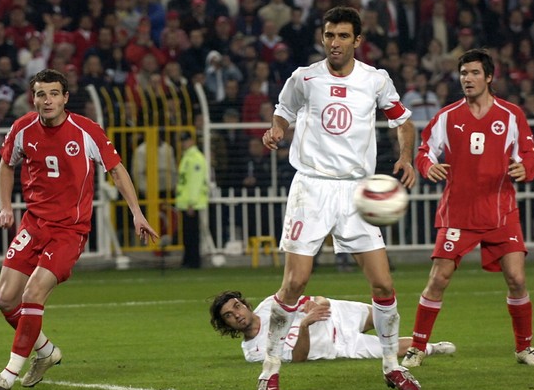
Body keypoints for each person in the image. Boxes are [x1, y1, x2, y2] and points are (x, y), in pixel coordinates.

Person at [258, 6, 419, 390]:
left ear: (357, 41)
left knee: (383, 282)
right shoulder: (304, 78)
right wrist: (276, 131)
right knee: (295, 282)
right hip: (311, 187)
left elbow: (403, 121)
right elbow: (283, 114)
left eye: (343, 36)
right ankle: (270, 369)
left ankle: (391, 366)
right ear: (323, 38)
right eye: (330, 35)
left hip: (356, 190)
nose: (335, 43)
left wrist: (406, 156)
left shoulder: (375, 80)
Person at [0, 68, 157, 390]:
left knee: (32, 295)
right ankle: (46, 353)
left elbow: (116, 170)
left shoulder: (86, 131)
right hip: (33, 224)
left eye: (53, 94)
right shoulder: (22, 128)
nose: (47, 101)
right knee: (4, 299)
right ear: (33, 99)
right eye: (41, 94)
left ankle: (7, 375)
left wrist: (137, 213)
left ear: (65, 98)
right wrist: (6, 207)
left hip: (68, 231)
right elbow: (6, 164)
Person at [403, 48, 534, 369]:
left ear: (489, 77)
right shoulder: (447, 116)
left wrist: (526, 169)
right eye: (464, 73)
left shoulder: (511, 115)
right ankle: (418, 347)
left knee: (517, 279)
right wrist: (427, 167)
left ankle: (524, 348)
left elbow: (529, 155)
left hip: (500, 210)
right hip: (459, 213)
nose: (467, 79)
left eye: (474, 73)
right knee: (438, 279)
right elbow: (424, 151)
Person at [210, 290, 456, 363]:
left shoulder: (268, 305)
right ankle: (432, 347)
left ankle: (423, 340)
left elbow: (314, 299)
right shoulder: (253, 351)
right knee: (393, 349)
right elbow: (298, 358)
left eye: (237, 307)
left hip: (335, 315)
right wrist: (305, 325)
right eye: (229, 316)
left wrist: (318, 303)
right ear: (226, 325)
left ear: (244, 304)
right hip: (337, 346)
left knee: (386, 316)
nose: (237, 315)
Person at [175, 131, 208, 269]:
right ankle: (188, 259)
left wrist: (191, 203)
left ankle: (193, 261)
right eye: (182, 141)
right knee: (188, 234)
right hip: (186, 202)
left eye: (185, 140)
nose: (183, 144)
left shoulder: (194, 158)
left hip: (191, 203)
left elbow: (195, 183)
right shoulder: (188, 157)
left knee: (192, 234)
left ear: (191, 141)